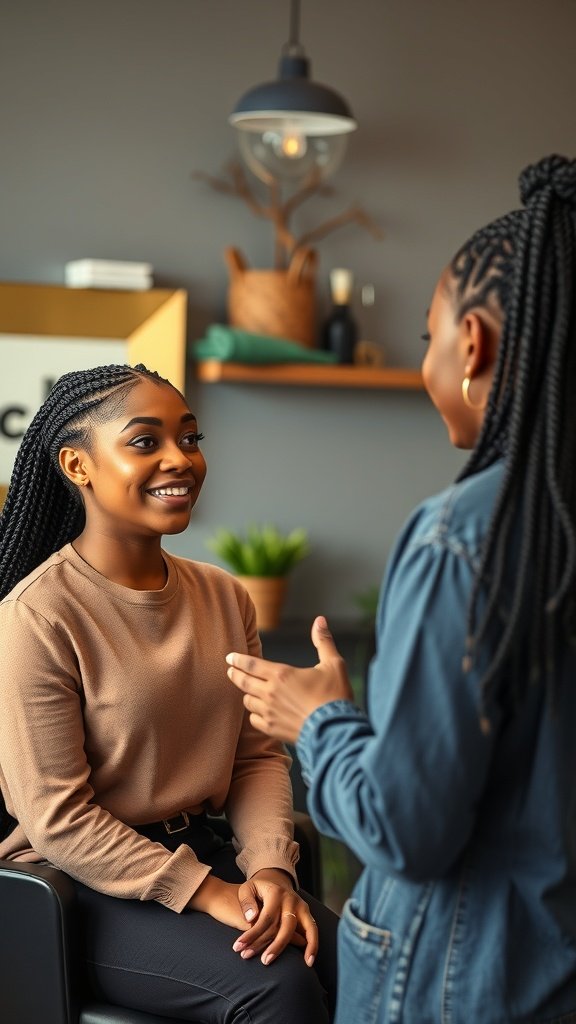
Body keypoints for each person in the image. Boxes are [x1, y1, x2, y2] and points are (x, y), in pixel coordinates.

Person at [226, 154, 576, 1024]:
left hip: (466, 988)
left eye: (428, 335)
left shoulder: (463, 534)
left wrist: (320, 722)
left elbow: (407, 828)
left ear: (474, 345)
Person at [0, 363, 338, 1023]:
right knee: (279, 987)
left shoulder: (223, 595)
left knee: (368, 966)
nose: (180, 459)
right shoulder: (37, 616)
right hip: (85, 886)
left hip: (207, 851)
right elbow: (57, 819)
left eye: (190, 437)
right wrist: (209, 893)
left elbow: (255, 757)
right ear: (77, 465)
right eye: (145, 441)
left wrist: (270, 869)